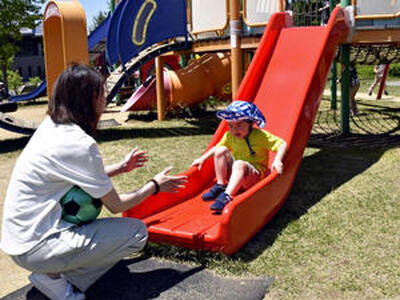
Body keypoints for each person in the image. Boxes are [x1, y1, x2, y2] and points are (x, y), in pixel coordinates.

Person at [0, 64, 187, 300]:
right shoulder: (79, 143)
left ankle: (54, 272)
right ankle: (57, 282)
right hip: (37, 247)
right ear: (87, 98)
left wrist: (120, 168)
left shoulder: (52, 127)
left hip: (21, 240)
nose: (106, 98)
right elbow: (117, 205)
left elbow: (73, 175)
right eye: (102, 92)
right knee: (137, 234)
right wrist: (155, 185)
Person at [191, 101, 288, 213]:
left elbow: (282, 144)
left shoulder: (260, 136)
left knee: (239, 163)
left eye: (239, 125)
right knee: (220, 150)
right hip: (237, 173)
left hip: (254, 177)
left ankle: (227, 195)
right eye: (230, 126)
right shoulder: (229, 136)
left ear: (250, 123)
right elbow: (216, 148)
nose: (234, 130)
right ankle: (221, 184)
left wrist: (278, 160)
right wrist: (202, 158)